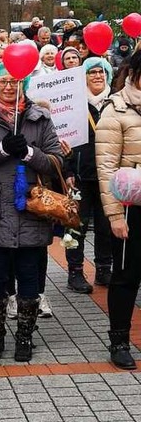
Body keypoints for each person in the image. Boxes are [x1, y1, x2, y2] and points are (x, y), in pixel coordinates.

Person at [0, 63, 63, 361]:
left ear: (25, 83)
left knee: (29, 276)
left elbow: (56, 160)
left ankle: (24, 337)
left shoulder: (40, 117)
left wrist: (30, 153)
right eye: (3, 81)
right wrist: (3, 149)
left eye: (15, 81)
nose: (8, 87)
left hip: (31, 207)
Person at [95, 50, 141, 369]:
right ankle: (119, 341)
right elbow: (107, 166)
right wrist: (113, 215)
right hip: (130, 207)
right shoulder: (116, 110)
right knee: (126, 277)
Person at [65, 58, 114, 294]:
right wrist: (67, 170)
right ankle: (75, 271)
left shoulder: (115, 102)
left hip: (108, 175)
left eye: (101, 72)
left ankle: (104, 268)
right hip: (80, 174)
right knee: (76, 226)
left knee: (106, 225)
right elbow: (62, 140)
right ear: (83, 77)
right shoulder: (73, 104)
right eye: (92, 72)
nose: (97, 76)